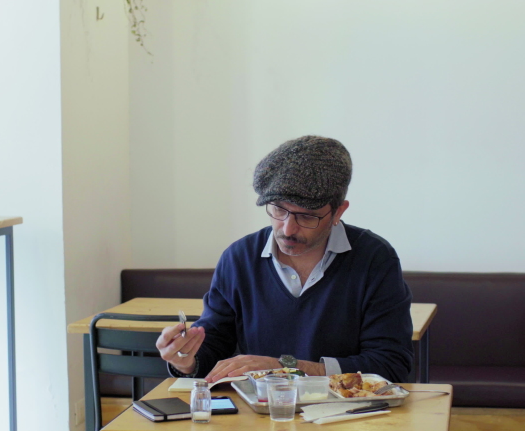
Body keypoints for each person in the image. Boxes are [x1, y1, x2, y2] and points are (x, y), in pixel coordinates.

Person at [155, 135, 413, 383]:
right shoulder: (239, 258)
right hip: (259, 413)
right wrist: (186, 359)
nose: (287, 229)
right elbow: (213, 347)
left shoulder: (374, 259)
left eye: (307, 216)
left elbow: (390, 365)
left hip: (346, 416)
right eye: (278, 209)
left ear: (339, 211)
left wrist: (286, 367)